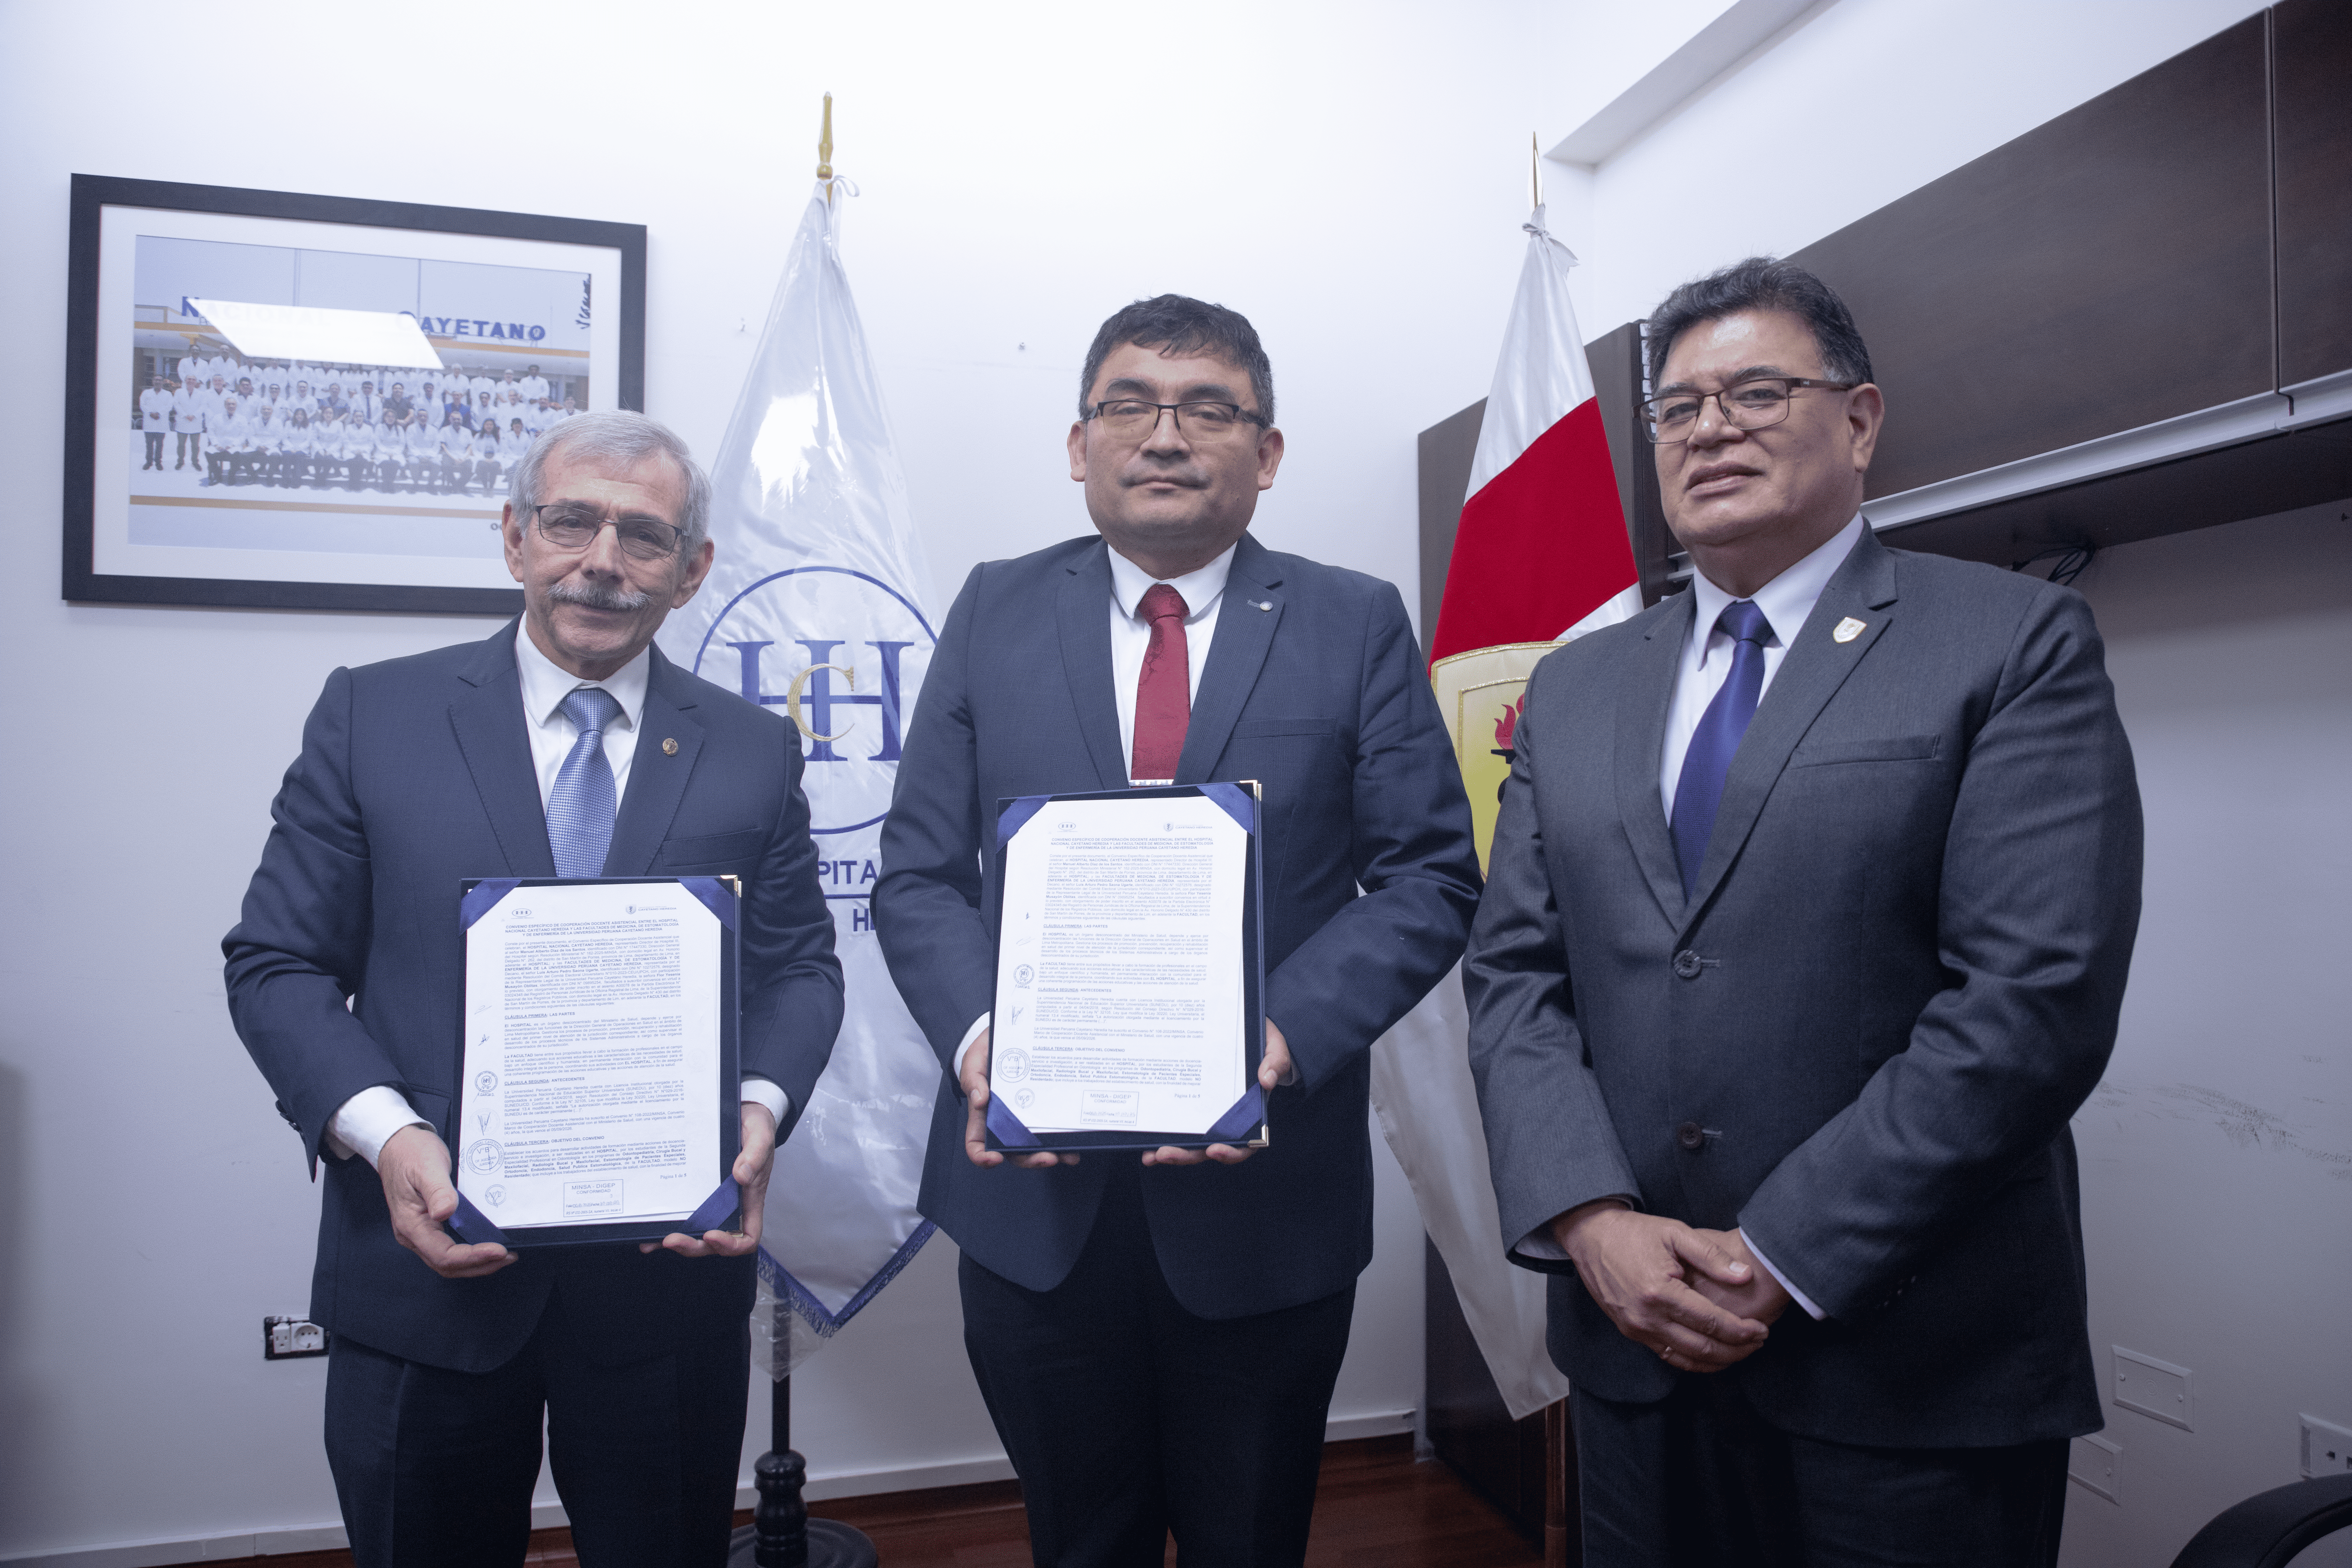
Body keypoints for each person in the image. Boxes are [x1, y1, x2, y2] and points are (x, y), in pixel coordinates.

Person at [1464, 257, 2143, 1568]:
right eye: (1677, 408)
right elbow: (1516, 979)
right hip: (1630, 1343)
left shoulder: (2013, 641)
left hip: (1905, 1359)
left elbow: (2031, 1002)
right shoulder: (1576, 686)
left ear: (1862, 419)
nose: (1710, 427)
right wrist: (1590, 1220)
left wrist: (1777, 1253)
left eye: (1757, 391)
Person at [874, 294, 1481, 1566]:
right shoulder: (994, 608)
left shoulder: (1351, 617)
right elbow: (919, 875)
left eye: (1208, 408)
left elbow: (1429, 873)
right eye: (1130, 405)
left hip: (1266, 1196)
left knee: (1247, 1539)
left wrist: (1278, 1035)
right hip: (1030, 1202)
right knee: (1076, 1540)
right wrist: (988, 1040)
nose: (1165, 435)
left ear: (1264, 455)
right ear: (1079, 440)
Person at [224, 410, 843, 1566]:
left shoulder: (755, 747)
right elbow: (277, 964)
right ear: (514, 538)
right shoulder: (376, 714)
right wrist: (391, 1138)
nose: (602, 561)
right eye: (570, 522)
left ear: (692, 569)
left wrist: (755, 1117)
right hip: (426, 1270)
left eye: (644, 537)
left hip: (665, 1285)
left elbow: (801, 965)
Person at [170, 373, 207, 470]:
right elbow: (176, 404)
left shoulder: (201, 394)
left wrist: (194, 416)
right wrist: (185, 415)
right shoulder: (179, 392)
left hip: (196, 422)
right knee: (181, 445)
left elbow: (203, 406)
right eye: (189, 379)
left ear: (196, 382)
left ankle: (195, 462)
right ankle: (180, 462)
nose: (191, 381)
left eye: (193, 379)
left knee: (195, 446)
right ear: (185, 381)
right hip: (183, 421)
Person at [139, 374, 171, 469]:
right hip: (149, 422)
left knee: (160, 444)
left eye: (160, 380)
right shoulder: (146, 393)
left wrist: (159, 414)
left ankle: (158, 462)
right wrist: (150, 413)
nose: (158, 382)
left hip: (161, 423)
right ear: (153, 381)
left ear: (163, 382)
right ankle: (149, 462)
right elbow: (142, 405)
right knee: (149, 444)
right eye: (156, 380)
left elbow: (169, 407)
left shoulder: (168, 394)